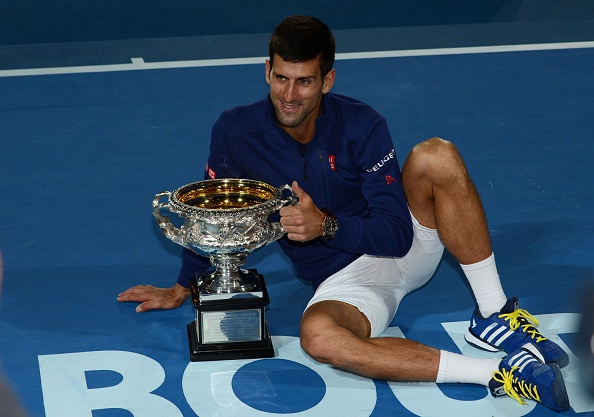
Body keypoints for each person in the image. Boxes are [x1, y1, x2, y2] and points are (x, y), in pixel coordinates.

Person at [118, 15, 570, 412]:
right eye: (280, 78)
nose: (289, 95)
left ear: (327, 81)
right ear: (267, 72)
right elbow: (220, 221)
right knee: (319, 339)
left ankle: (493, 313)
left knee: (437, 155)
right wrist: (183, 287)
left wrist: (324, 225)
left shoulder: (362, 124)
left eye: (304, 81)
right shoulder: (235, 132)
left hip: (407, 244)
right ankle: (499, 372)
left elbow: (395, 237)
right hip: (348, 284)